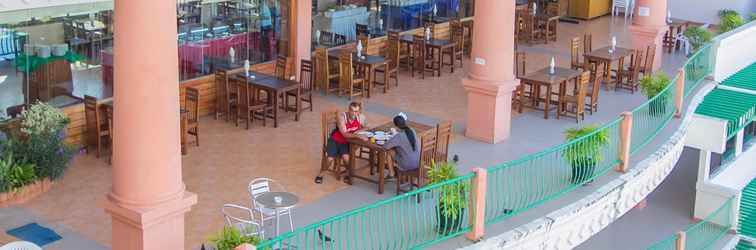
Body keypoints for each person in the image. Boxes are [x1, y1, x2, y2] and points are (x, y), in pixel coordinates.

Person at [315, 102, 368, 184]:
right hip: (335, 140)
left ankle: (347, 173)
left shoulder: (360, 117)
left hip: (346, 142)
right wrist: (358, 136)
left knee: (347, 159)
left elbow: (366, 127)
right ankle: (320, 174)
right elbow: (344, 134)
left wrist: (359, 131)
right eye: (352, 111)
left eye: (356, 111)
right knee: (330, 159)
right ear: (349, 110)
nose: (354, 113)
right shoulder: (342, 117)